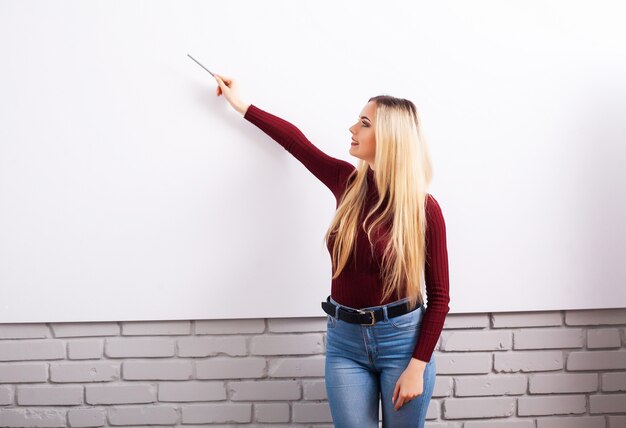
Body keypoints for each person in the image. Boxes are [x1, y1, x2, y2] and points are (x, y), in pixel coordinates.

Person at [213, 73, 450, 428]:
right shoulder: (347, 183)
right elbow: (297, 143)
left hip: (402, 343)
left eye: (364, 123)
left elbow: (440, 297)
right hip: (345, 342)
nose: (352, 128)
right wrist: (241, 104)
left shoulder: (423, 209)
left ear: (389, 138)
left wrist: (417, 366)